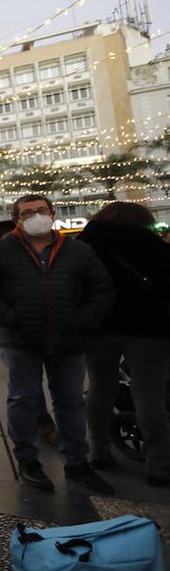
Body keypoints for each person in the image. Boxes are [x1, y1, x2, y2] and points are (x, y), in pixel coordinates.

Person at [0, 194, 115, 494]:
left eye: (40, 210)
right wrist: (10, 317)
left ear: (52, 213)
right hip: (20, 340)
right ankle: (27, 461)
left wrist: (84, 319)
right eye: (27, 213)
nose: (35, 216)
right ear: (17, 220)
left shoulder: (78, 250)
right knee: (22, 399)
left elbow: (101, 288)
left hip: (69, 338)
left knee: (71, 402)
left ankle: (76, 463)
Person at [79, 202, 170, 486]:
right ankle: (159, 464)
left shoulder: (84, 245)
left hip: (98, 328)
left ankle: (99, 450)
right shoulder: (154, 246)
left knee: (100, 387)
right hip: (149, 330)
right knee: (150, 394)